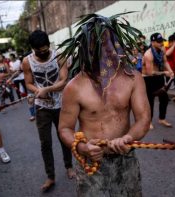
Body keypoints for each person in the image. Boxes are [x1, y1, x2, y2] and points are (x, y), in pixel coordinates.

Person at [58, 14, 150, 197]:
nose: (105, 50)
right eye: (98, 45)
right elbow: (65, 129)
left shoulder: (133, 78)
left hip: (126, 159)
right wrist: (83, 148)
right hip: (92, 163)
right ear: (86, 48)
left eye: (109, 43)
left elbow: (144, 119)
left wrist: (128, 138)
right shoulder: (74, 87)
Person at [21, 30, 74, 192]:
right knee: (45, 143)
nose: (43, 53)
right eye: (39, 51)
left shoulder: (59, 55)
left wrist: (47, 89)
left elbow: (64, 81)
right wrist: (37, 91)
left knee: (64, 137)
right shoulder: (27, 61)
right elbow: (29, 83)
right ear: (33, 48)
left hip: (61, 104)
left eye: (45, 49)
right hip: (42, 106)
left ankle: (69, 166)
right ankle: (50, 176)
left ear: (49, 45)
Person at [142, 33, 174, 129]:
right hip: (148, 78)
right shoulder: (148, 55)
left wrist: (170, 70)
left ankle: (162, 118)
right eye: (159, 42)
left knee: (164, 98)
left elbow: (165, 61)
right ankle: (148, 122)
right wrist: (165, 72)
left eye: (162, 41)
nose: (161, 43)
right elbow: (150, 72)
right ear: (152, 42)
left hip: (158, 75)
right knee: (150, 102)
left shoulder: (162, 50)